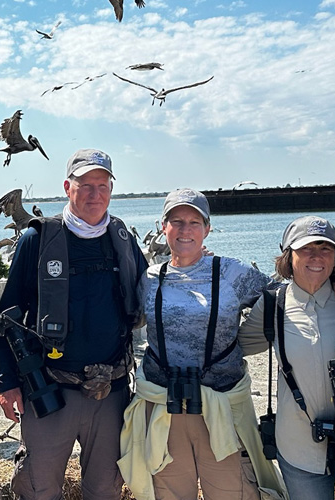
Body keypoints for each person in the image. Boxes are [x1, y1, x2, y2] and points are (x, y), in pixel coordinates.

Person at [0, 148, 148, 500]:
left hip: (111, 393)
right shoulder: (38, 240)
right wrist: (7, 382)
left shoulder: (122, 241)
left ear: (111, 189)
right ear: (67, 187)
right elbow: (5, 318)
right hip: (49, 390)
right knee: (38, 489)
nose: (95, 194)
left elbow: (153, 295)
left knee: (105, 490)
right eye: (85, 185)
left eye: (102, 185)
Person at [118, 188, 288, 500]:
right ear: (163, 227)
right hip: (164, 410)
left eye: (194, 222)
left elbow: (284, 295)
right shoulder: (149, 278)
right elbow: (125, 318)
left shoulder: (233, 272)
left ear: (207, 228)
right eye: (177, 221)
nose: (185, 230)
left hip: (223, 411)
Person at [238, 216, 335, 500]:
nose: (316, 256)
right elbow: (234, 348)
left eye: (325, 248)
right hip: (297, 446)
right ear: (288, 256)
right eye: (306, 248)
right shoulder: (272, 305)